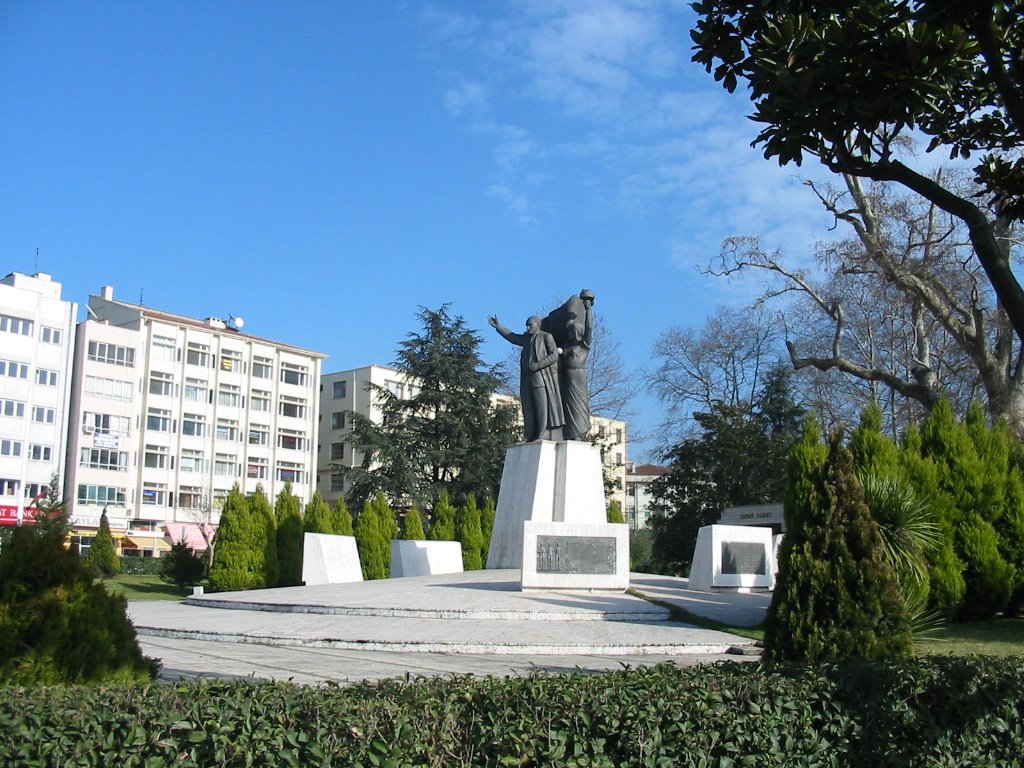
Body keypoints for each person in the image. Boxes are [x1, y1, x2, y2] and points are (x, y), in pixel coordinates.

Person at [488, 314, 564, 442]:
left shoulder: (546, 336)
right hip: (526, 378)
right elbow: (513, 337)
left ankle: (543, 432)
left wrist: (538, 365)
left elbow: (554, 355)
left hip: (540, 378)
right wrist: (499, 327)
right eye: (527, 325)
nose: (528, 328)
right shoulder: (526, 339)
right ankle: (529, 434)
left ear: (538, 324)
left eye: (530, 325)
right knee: (528, 408)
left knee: (541, 407)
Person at [557, 289, 594, 440]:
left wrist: (588, 309)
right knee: (565, 405)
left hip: (578, 376)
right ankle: (567, 434)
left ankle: (578, 434)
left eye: (573, 329)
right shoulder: (566, 344)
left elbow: (590, 328)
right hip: (565, 376)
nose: (570, 332)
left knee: (578, 406)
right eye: (569, 330)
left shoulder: (583, 344)